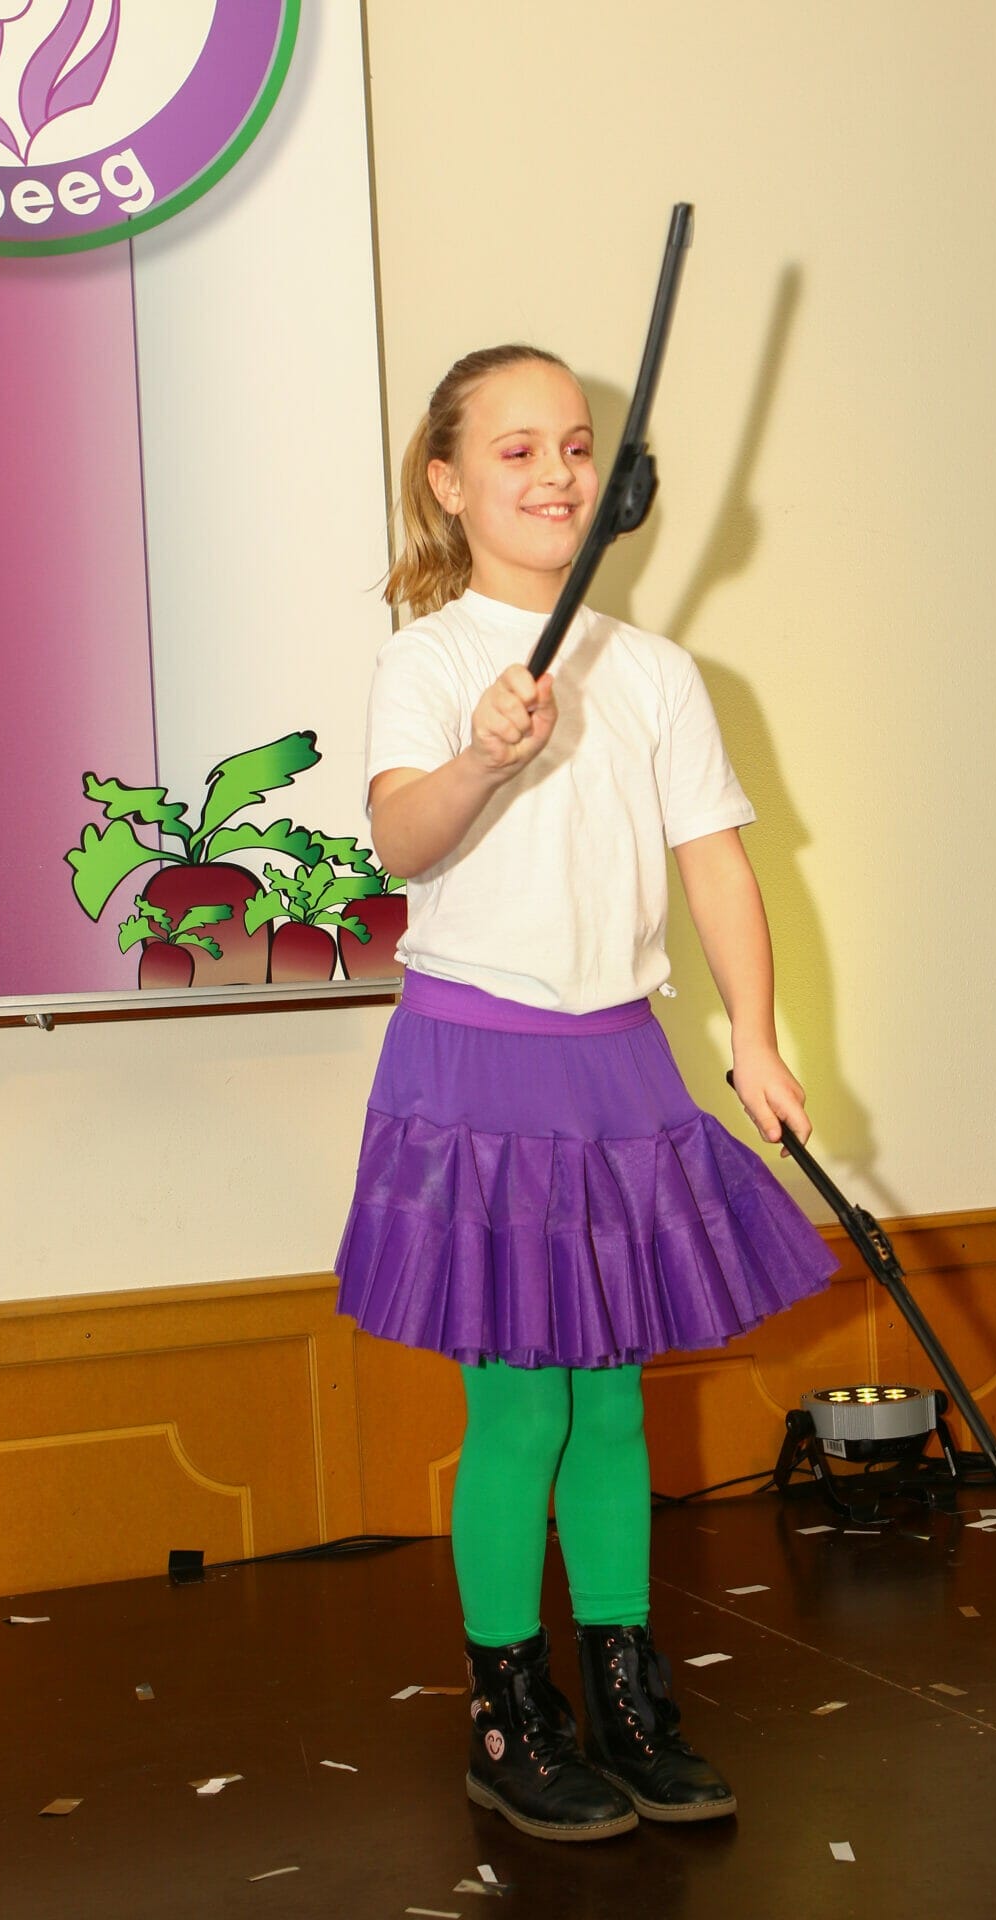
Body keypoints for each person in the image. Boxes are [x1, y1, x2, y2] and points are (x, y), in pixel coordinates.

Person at [336, 344, 836, 1843]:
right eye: (517, 451)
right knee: (520, 1406)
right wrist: (483, 759)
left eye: (574, 446)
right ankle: (508, 1709)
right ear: (447, 483)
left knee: (611, 1396)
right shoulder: (431, 662)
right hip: (476, 1061)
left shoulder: (658, 671)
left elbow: (716, 865)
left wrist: (756, 1035)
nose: (555, 474)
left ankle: (626, 1693)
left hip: (621, 1058)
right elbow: (401, 843)